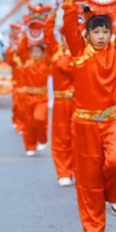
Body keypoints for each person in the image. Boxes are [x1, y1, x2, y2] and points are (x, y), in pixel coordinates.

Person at [61, 0, 116, 232]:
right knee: (88, 177)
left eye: (104, 32)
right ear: (87, 34)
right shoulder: (79, 53)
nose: (101, 37)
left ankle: (115, 196)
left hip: (115, 121)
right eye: (96, 32)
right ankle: (93, 226)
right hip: (85, 124)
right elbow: (68, 27)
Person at [45, 11, 75, 185]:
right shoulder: (56, 52)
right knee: (61, 137)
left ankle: (79, 169)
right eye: (66, 36)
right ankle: (63, 171)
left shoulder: (83, 54)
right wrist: (54, 10)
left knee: (79, 138)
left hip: (80, 103)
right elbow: (47, 33)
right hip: (61, 102)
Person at [14, 39, 50, 157]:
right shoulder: (26, 63)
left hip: (42, 97)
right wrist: (25, 33)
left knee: (39, 118)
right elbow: (21, 49)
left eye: (38, 51)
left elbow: (51, 47)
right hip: (28, 97)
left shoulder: (46, 64)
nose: (35, 54)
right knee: (29, 123)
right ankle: (30, 146)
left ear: (42, 53)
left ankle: (42, 139)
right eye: (33, 51)